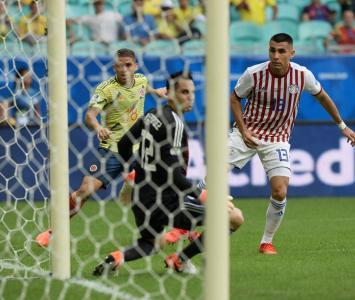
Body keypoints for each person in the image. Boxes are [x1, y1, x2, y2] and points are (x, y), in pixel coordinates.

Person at [93, 71, 244, 275]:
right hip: (168, 199)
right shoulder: (174, 124)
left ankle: (116, 258)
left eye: (191, 92)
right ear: (170, 93)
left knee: (151, 243)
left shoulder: (152, 114)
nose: (190, 97)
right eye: (183, 92)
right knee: (234, 218)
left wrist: (133, 171)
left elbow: (124, 143)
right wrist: (204, 195)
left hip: (142, 196)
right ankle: (180, 261)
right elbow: (173, 173)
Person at [225, 33, 354, 255]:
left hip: (277, 139)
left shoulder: (302, 75)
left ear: (291, 54)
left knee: (280, 191)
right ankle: (183, 227)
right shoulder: (253, 74)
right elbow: (234, 98)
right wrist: (243, 129)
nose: (276, 56)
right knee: (212, 178)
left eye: (281, 51)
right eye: (272, 50)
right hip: (247, 133)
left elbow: (322, 96)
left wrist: (342, 125)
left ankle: (266, 242)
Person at [35, 48, 167, 247]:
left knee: (162, 188)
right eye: (119, 65)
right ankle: (53, 231)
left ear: (136, 66)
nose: (124, 69)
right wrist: (98, 127)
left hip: (139, 148)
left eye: (128, 65)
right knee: (85, 191)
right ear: (114, 66)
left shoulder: (141, 80)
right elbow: (89, 115)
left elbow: (143, 89)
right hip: (112, 148)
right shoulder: (105, 89)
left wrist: (155, 91)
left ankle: (177, 230)